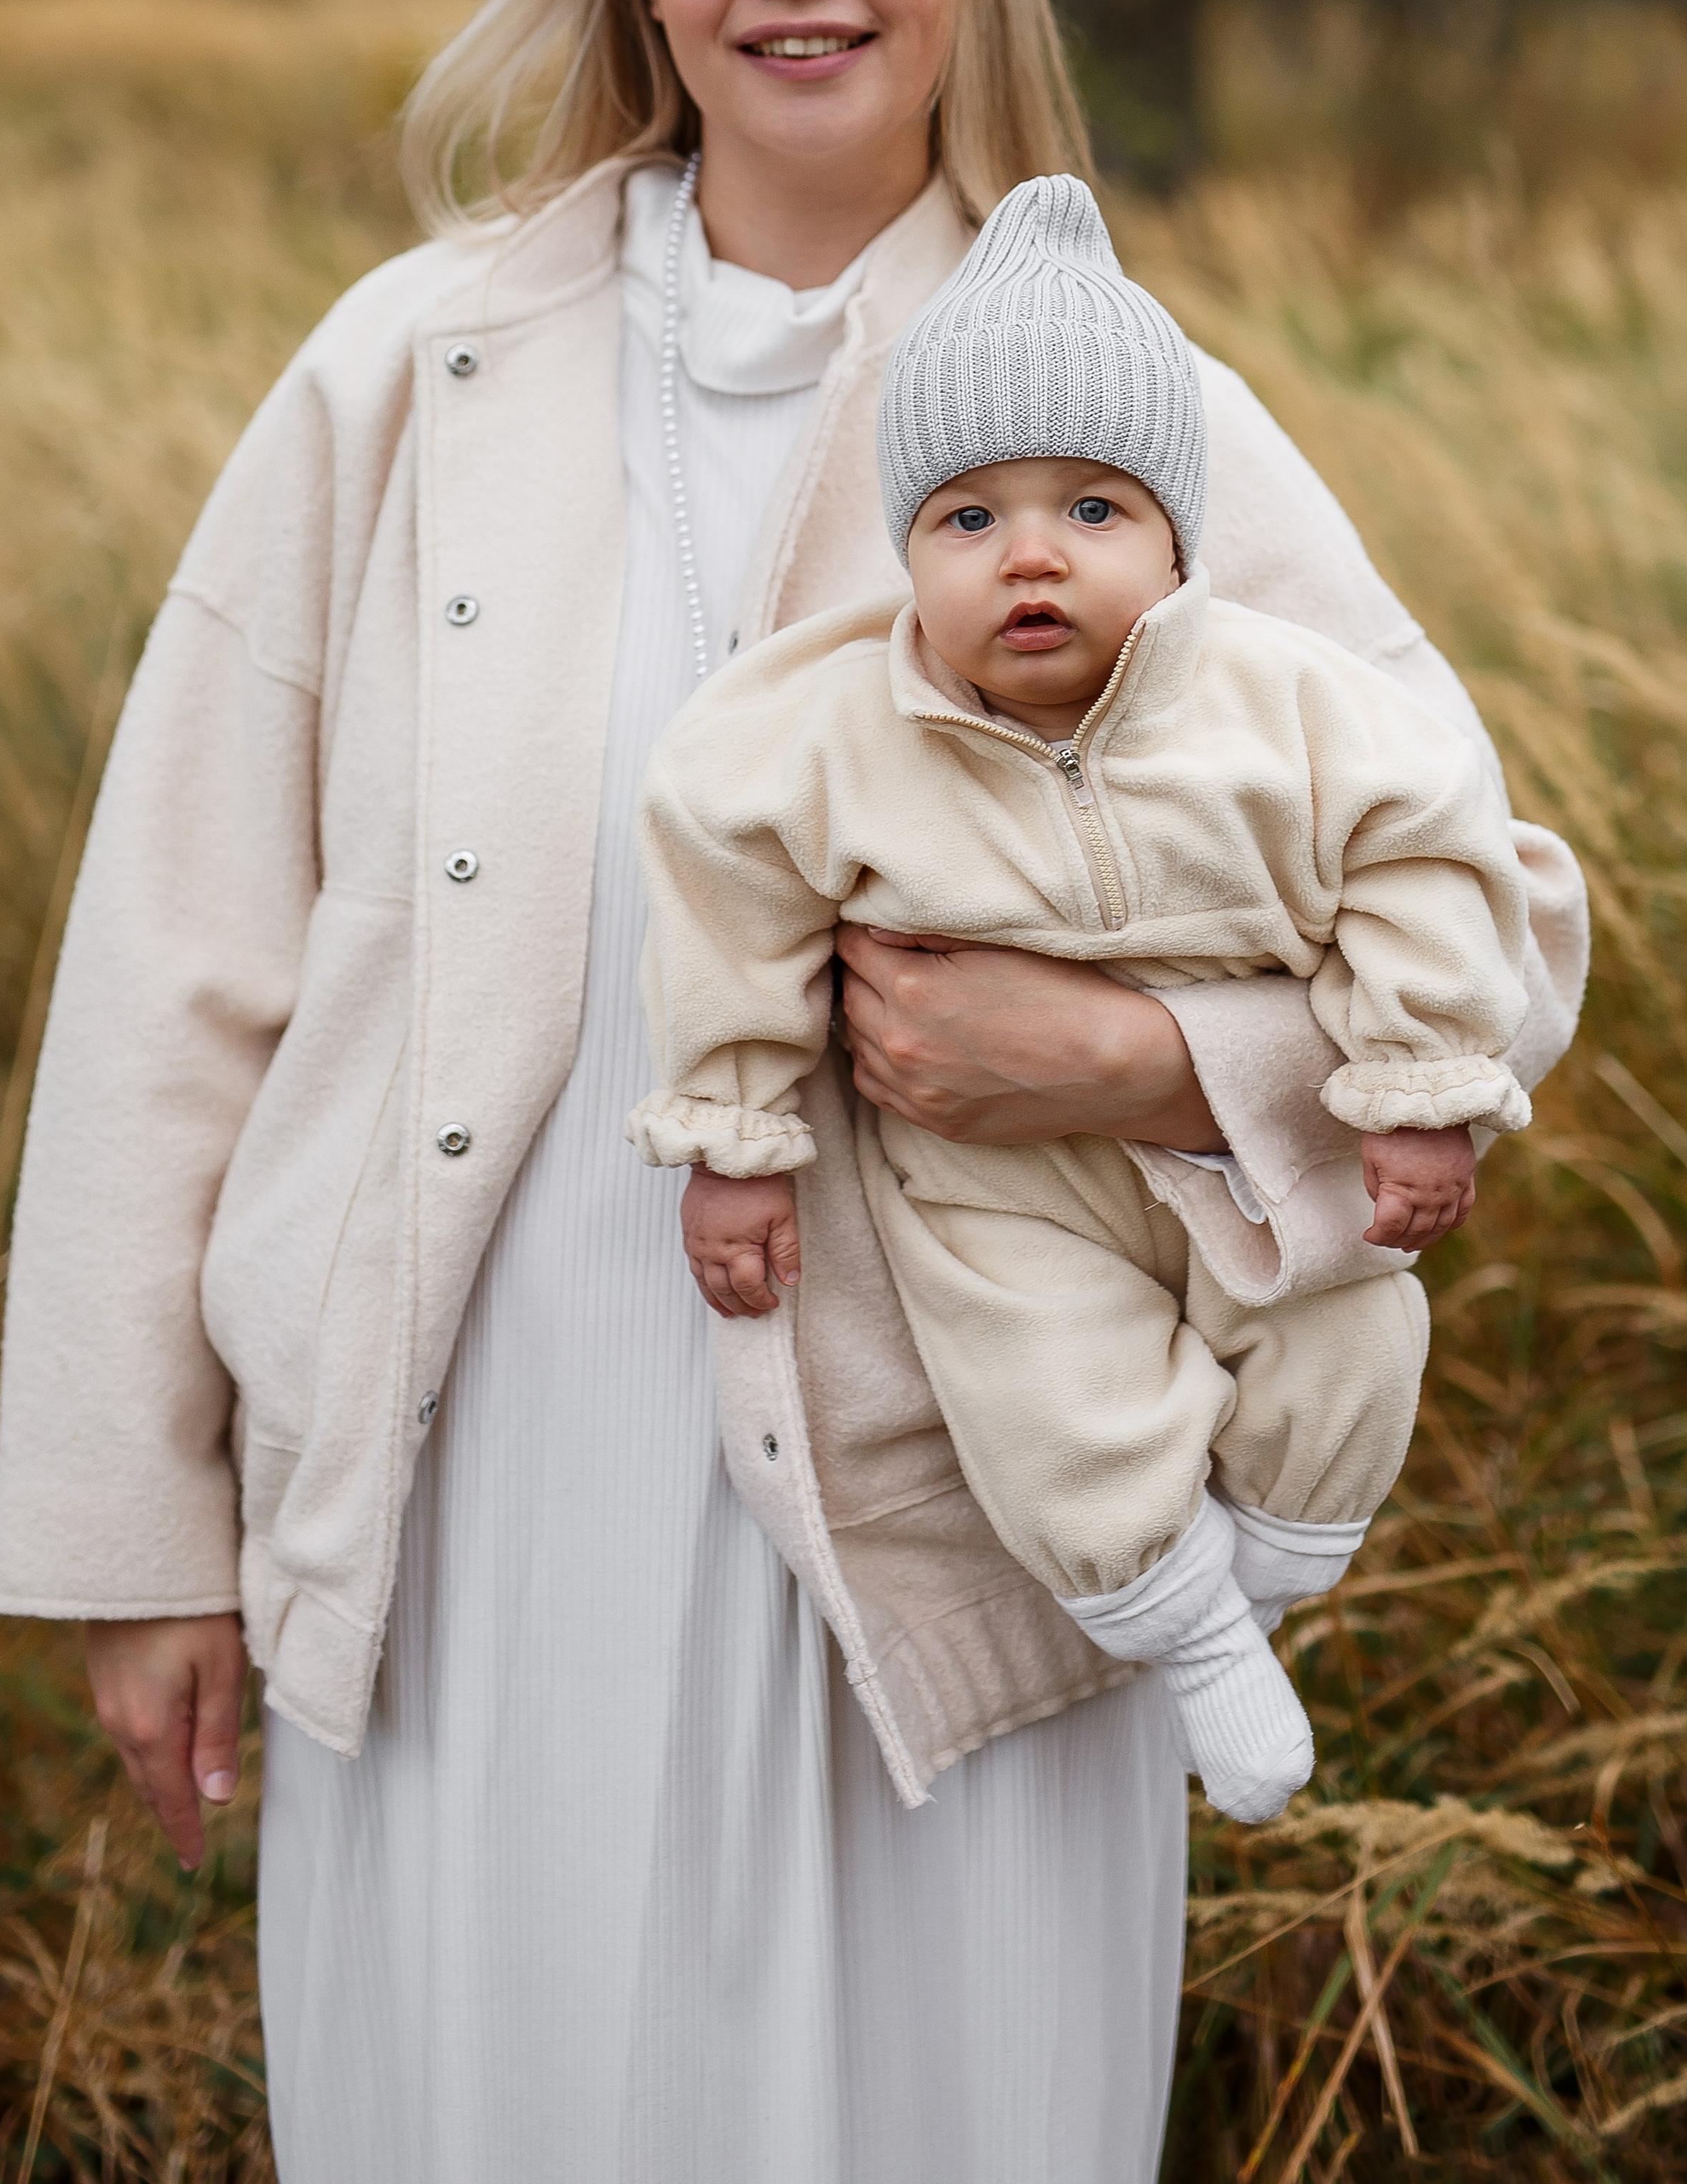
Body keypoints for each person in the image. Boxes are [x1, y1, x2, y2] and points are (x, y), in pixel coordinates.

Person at [0, 0, 1588, 2183]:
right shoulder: (410, 371)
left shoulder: (1122, 419)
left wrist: (1139, 1067)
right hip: (478, 1516)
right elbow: (180, 958)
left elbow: (1503, 916)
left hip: (963, 1548)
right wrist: (135, 1534)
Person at [631, 169, 1534, 1831]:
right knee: (1046, 1405)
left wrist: (1418, 1086)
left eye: (1092, 511)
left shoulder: (1289, 704)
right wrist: (733, 1139)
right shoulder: (830, 731)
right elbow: (724, 908)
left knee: (1350, 1335)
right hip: (991, 1188)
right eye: (966, 520)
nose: (1029, 556)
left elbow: (1428, 861)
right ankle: (1181, 1623)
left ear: (1180, 538)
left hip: (1257, 1160)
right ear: (905, 552)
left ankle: (1256, 1591)